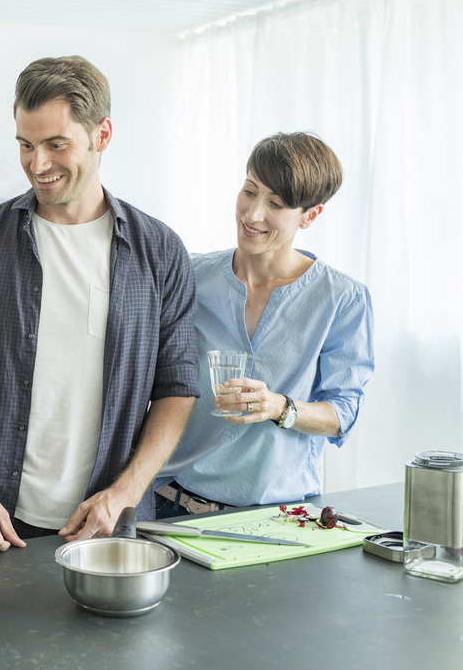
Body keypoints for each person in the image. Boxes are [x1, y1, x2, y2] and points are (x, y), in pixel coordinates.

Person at [0, 56, 200, 553]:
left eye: (56, 145)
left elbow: (177, 387)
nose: (38, 164)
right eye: (25, 145)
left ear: (103, 135)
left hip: (113, 521)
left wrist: (125, 493)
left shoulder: (160, 252)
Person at [155, 132, 375, 517]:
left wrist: (279, 406)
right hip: (172, 505)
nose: (252, 214)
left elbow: (343, 415)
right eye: (249, 191)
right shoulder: (190, 275)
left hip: (277, 518)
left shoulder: (342, 299)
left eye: (275, 203)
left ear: (310, 215)